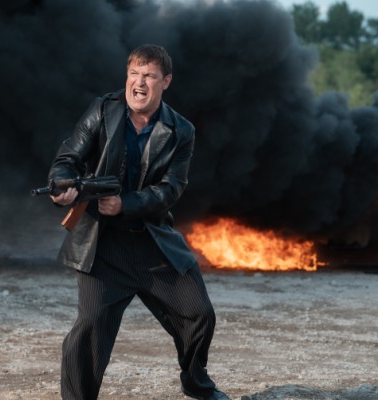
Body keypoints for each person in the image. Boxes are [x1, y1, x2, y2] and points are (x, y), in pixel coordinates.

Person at [47, 44, 229, 400]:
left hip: (151, 241)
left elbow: (171, 189)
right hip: (103, 246)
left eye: (149, 75)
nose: (139, 82)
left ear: (166, 81)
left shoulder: (181, 130)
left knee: (199, 313)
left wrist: (125, 204)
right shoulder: (103, 110)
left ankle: (196, 383)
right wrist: (61, 185)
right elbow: (68, 158)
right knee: (90, 327)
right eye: (134, 73)